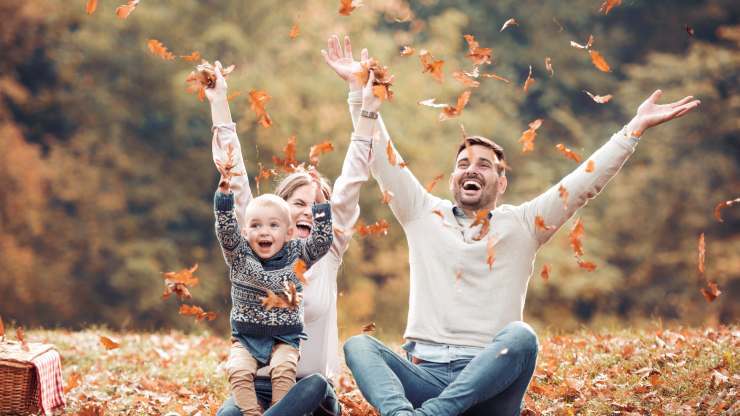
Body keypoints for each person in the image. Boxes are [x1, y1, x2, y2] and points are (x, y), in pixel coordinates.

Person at [333, 34, 701, 416]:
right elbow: (381, 158)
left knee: (522, 336)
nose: (471, 170)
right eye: (463, 164)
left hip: (490, 385)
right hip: (426, 376)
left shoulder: (524, 224)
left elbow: (582, 185)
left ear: (501, 182)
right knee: (359, 347)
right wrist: (359, 96)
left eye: (484, 165)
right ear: (453, 179)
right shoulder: (421, 213)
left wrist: (633, 130)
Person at [208, 43, 373, 414]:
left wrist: (360, 98)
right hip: (257, 388)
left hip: (312, 395)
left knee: (311, 385)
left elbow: (354, 177)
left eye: (316, 206)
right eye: (299, 203)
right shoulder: (254, 248)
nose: (308, 212)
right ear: (277, 218)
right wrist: (219, 102)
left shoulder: (327, 250)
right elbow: (233, 182)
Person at [214, 147, 334, 415]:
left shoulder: (297, 255)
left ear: (288, 230)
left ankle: (282, 410)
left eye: (273, 226)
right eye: (256, 226)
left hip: (285, 339)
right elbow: (225, 230)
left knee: (285, 370)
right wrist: (224, 195)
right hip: (246, 339)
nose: (264, 232)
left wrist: (321, 202)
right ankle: (253, 413)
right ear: (245, 231)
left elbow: (322, 241)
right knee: (237, 370)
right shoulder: (239, 255)